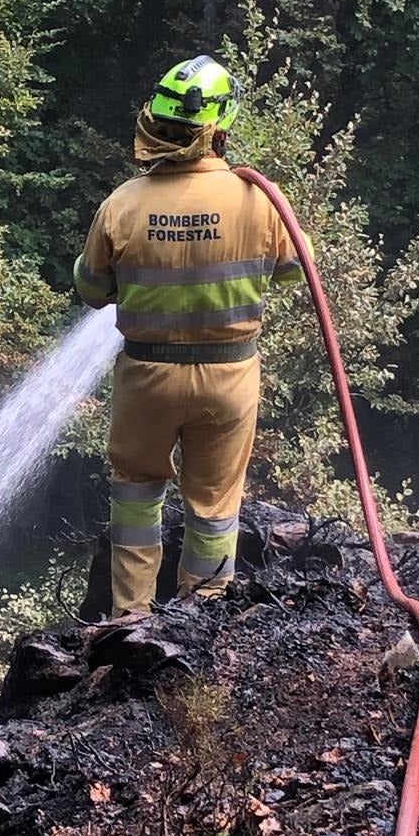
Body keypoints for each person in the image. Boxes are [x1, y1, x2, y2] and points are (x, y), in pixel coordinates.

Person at [74, 54, 304, 618]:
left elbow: (91, 288)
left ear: (155, 122)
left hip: (147, 376)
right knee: (215, 507)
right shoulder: (259, 199)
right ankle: (200, 617)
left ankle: (131, 619)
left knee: (134, 491)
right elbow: (295, 270)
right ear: (220, 126)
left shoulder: (123, 203)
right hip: (229, 377)